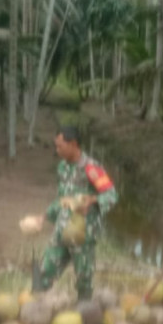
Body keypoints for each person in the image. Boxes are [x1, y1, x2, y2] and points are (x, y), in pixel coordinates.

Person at [28, 126, 118, 301]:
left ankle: (85, 311)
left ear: (74, 144)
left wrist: (92, 201)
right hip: (62, 228)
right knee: (46, 269)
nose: (57, 150)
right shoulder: (62, 168)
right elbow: (62, 199)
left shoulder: (91, 168)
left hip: (83, 231)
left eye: (60, 146)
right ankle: (35, 308)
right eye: (56, 146)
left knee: (83, 277)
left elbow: (111, 195)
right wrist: (44, 217)